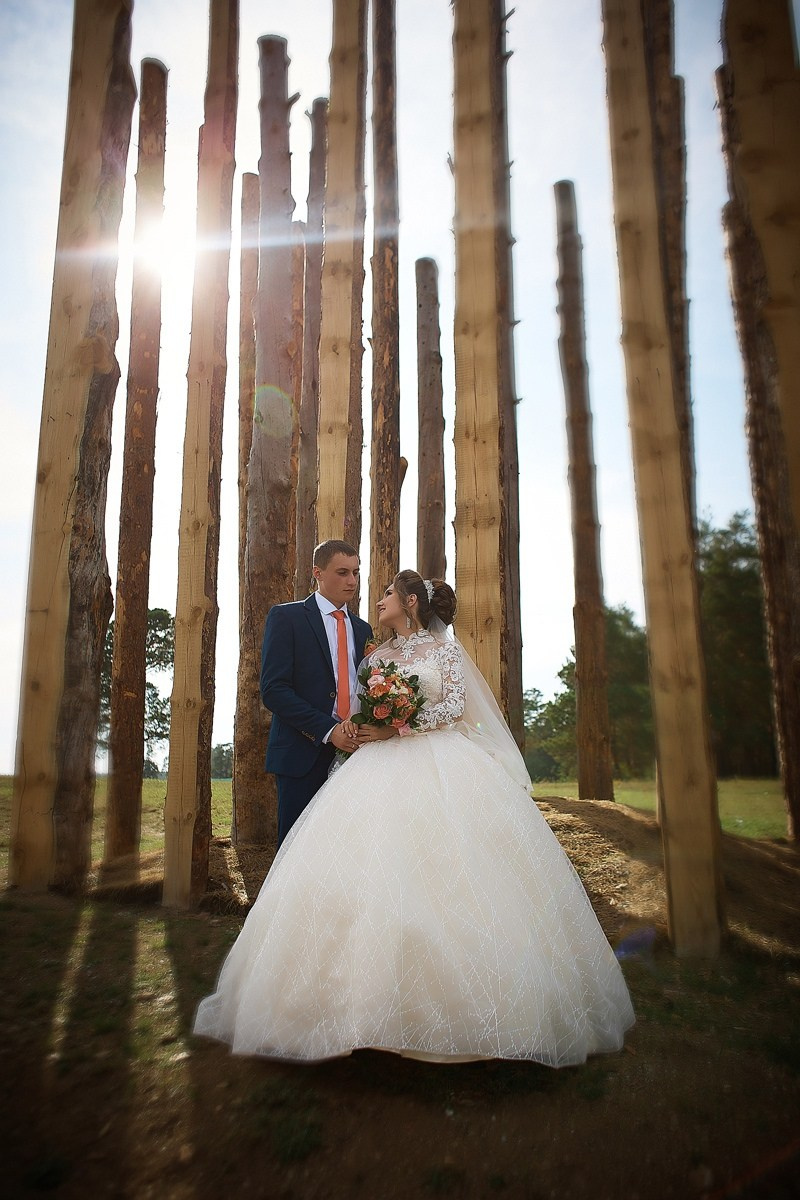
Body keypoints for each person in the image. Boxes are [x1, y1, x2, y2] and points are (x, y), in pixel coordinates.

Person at [195, 570, 634, 1066]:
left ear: (408, 601)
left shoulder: (444, 650)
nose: (375, 598)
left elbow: (452, 707)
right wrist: (369, 729)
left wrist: (400, 726)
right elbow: (362, 711)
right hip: (376, 768)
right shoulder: (376, 656)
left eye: (385, 593)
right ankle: (353, 1010)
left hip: (442, 762)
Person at [260, 538, 373, 846]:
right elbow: (273, 690)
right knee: (296, 852)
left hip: (355, 755)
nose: (351, 580)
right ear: (317, 573)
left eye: (355, 572)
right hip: (302, 755)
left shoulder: (364, 630)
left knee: (346, 849)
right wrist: (328, 730)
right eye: (342, 572)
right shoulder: (287, 618)